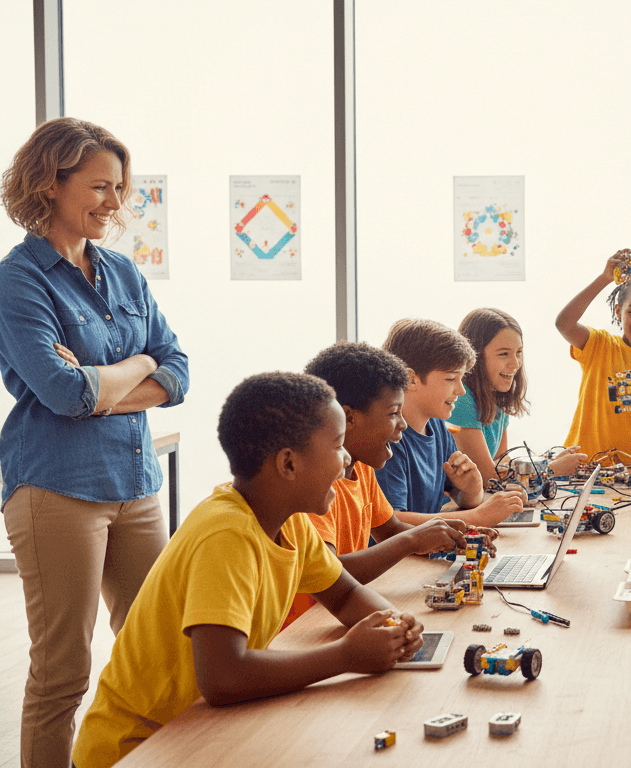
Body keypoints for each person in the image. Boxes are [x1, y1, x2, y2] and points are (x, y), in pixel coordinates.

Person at [71, 373, 423, 767]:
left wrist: (391, 623)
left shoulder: (289, 521)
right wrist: (345, 655)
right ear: (289, 463)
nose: (346, 459)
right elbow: (224, 677)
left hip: (205, 727)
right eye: (338, 445)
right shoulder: (227, 533)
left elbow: (343, 594)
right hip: (141, 746)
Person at [0, 117, 189, 767]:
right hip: (55, 486)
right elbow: (62, 393)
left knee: (155, 652)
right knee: (62, 673)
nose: (116, 203)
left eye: (119, 188)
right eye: (101, 187)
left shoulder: (123, 273)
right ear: (50, 184)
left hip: (135, 483)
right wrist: (136, 367)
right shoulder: (19, 279)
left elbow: (178, 369)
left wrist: (113, 378)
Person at [282, 341, 476, 625]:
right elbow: (330, 574)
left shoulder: (361, 468)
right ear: (349, 418)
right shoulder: (312, 488)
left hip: (342, 614)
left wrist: (447, 539)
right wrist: (413, 540)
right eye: (392, 413)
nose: (403, 425)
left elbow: (391, 529)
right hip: (308, 624)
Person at [376, 318, 524, 528]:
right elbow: (392, 521)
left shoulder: (437, 426)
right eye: (451, 379)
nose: (461, 390)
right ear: (411, 380)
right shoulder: (387, 440)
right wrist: (476, 517)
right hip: (400, 560)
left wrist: (472, 491)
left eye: (462, 379)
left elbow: (460, 496)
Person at [555, 249, 631, 465]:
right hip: (585, 464)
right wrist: (605, 278)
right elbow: (563, 324)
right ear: (617, 311)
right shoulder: (599, 345)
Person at [449, 308, 586, 480]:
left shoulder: (496, 396)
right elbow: (486, 477)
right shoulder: (460, 400)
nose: (515, 364)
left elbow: (501, 461)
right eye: (504, 354)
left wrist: (543, 462)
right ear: (475, 355)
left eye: (519, 352)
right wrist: (550, 470)